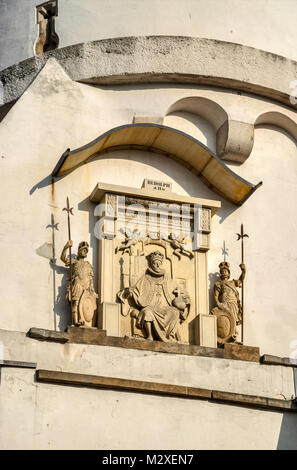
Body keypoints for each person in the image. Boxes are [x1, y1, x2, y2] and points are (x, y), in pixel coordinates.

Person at [120, 250, 190, 342]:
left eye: (159, 263)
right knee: (147, 312)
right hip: (151, 307)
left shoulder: (168, 280)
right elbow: (136, 292)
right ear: (151, 264)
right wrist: (131, 293)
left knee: (175, 312)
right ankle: (149, 336)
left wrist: (185, 299)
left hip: (165, 308)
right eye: (155, 263)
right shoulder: (145, 279)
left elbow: (182, 293)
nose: (157, 265)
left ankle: (170, 336)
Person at [60, 240, 97, 326]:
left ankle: (82, 319)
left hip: (86, 286)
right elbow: (63, 258)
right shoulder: (74, 262)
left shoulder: (88, 264)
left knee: (84, 303)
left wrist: (92, 290)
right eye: (83, 250)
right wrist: (66, 247)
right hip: (77, 284)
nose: (85, 252)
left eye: (86, 250)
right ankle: (75, 321)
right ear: (79, 251)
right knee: (76, 303)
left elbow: (90, 278)